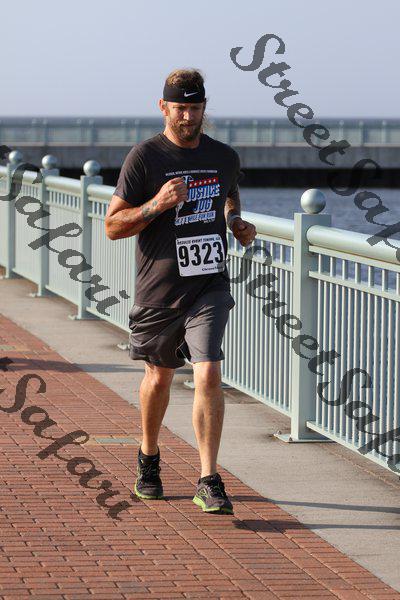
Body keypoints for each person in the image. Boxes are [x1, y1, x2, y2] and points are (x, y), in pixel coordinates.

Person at [105, 68, 256, 515]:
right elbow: (113, 225)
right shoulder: (144, 158)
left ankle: (209, 478)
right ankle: (148, 457)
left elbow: (229, 193)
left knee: (208, 373)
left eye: (195, 108)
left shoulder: (223, 156)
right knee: (159, 377)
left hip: (209, 284)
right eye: (180, 108)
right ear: (163, 107)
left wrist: (234, 221)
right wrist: (156, 204)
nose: (188, 117)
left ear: (204, 108)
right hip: (159, 289)